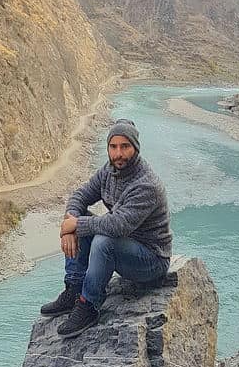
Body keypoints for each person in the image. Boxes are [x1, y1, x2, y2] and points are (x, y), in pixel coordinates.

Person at [40, 119, 172, 338]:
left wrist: (76, 225)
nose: (118, 153)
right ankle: (74, 289)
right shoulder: (108, 171)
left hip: (151, 260)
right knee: (82, 222)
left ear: (135, 148)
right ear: (108, 148)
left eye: (125, 147)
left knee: (103, 240)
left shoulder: (146, 185)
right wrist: (70, 223)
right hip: (125, 248)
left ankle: (89, 305)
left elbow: (117, 225)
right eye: (113, 147)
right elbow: (81, 195)